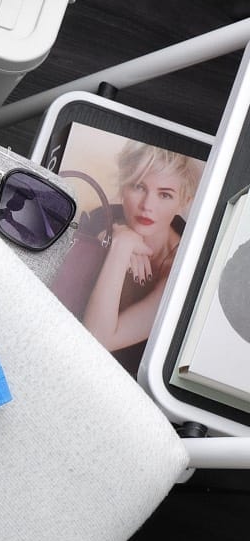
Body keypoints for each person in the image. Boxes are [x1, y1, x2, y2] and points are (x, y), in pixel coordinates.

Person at [56, 140, 202, 375]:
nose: (147, 205)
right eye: (138, 186)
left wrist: (121, 246)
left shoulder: (184, 270)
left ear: (183, 202)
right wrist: (114, 235)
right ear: (123, 187)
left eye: (165, 195)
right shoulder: (101, 219)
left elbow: (97, 339)